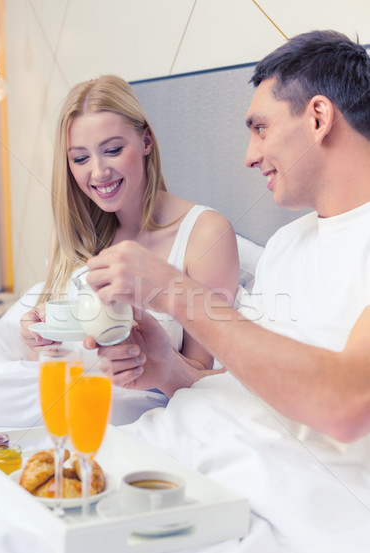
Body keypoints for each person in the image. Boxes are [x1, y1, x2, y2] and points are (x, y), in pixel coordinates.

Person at [83, 31, 370, 443]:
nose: (249, 156)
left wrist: (175, 292)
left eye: (261, 128)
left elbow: (347, 404)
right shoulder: (287, 245)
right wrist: (167, 368)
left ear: (318, 118)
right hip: (180, 446)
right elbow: (243, 388)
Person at [19, 75, 239, 379]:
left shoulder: (206, 235)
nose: (98, 172)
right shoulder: (70, 235)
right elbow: (51, 361)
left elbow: (202, 373)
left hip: (145, 413)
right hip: (72, 402)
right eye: (80, 158)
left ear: (146, 141)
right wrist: (39, 341)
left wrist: (157, 365)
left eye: (112, 150)